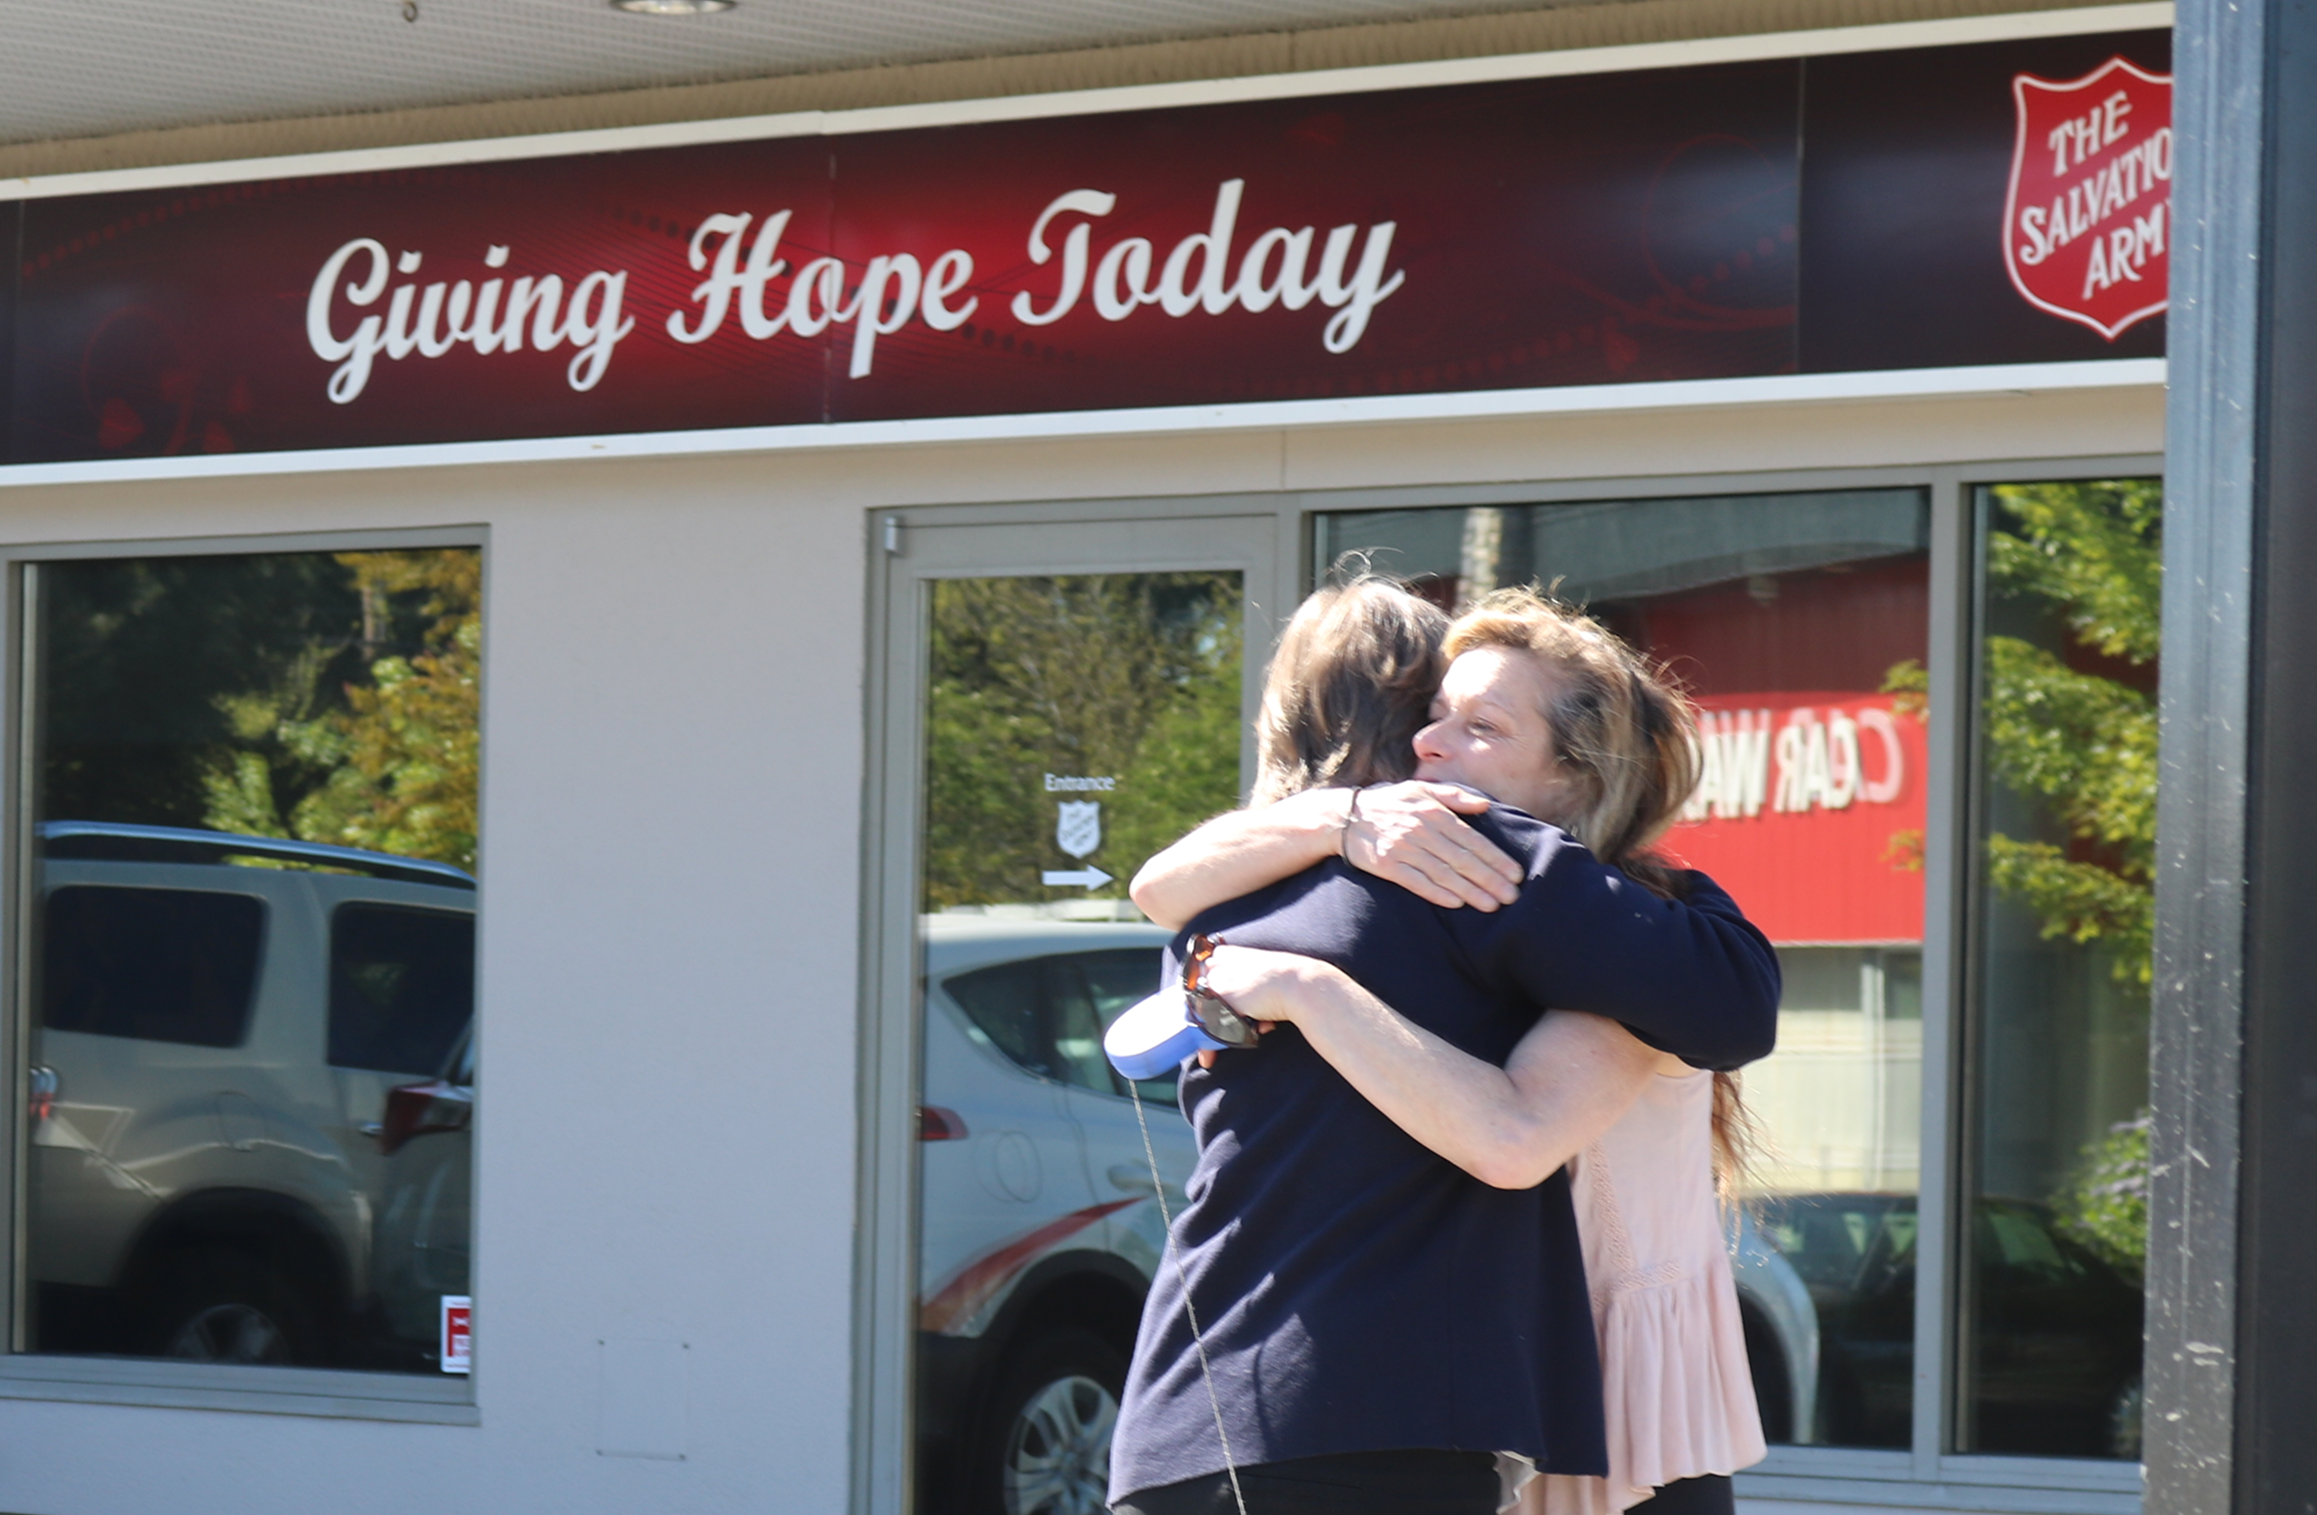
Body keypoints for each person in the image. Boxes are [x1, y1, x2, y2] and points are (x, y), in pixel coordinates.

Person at [1105, 581, 1779, 1515]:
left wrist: (1310, 966)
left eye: (1481, 727)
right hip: (1447, 1394)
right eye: (1431, 715)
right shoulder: (1395, 872)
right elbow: (1155, 884)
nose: (1428, 745)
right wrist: (1338, 821)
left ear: (1577, 775)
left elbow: (1725, 1016)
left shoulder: (1587, 909)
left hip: (1602, 1393)